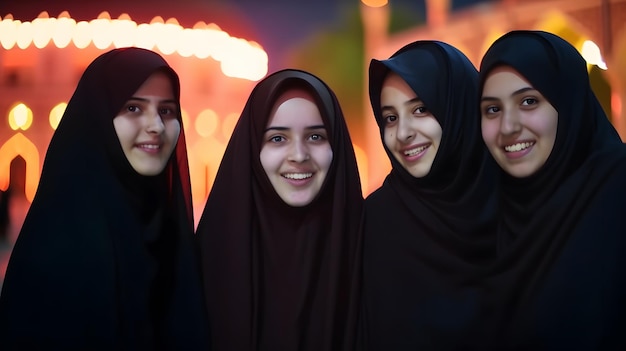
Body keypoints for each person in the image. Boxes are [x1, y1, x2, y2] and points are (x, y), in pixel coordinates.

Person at [0, 47, 209, 350]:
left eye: (166, 110)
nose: (155, 126)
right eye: (133, 108)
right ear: (97, 118)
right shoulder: (59, 247)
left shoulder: (172, 240)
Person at [478, 30, 626, 349]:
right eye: (492, 109)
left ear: (567, 100)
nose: (508, 127)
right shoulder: (486, 213)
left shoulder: (616, 189)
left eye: (529, 101)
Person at [196, 69, 363, 351]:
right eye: (277, 139)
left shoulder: (367, 249)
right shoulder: (209, 257)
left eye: (316, 137)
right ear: (253, 149)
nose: (299, 155)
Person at [360, 40, 498, 350]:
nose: (403, 133)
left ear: (459, 108)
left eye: (421, 109)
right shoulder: (375, 222)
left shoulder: (519, 208)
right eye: (390, 118)